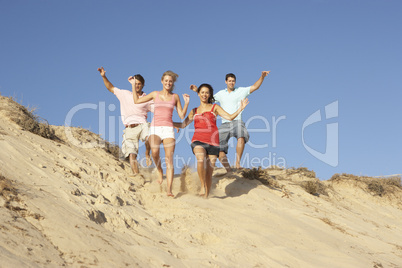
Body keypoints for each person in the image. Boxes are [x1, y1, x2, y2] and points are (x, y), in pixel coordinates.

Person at [174, 84, 249, 198]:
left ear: (210, 95)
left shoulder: (215, 108)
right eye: (202, 92)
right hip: (198, 139)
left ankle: (206, 195)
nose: (204, 94)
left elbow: (229, 117)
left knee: (209, 172)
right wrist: (169, 123)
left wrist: (241, 108)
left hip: (213, 141)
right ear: (198, 94)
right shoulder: (194, 111)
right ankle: (203, 186)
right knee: (200, 159)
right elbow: (183, 125)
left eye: (207, 92)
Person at [192, 71, 270, 172]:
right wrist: (197, 90)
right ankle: (228, 170)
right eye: (229, 81)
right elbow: (206, 98)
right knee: (218, 147)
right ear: (226, 82)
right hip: (224, 123)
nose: (231, 83)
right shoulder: (221, 94)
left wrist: (262, 77)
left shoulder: (241, 91)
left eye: (233, 81)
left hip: (237, 121)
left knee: (241, 137)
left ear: (235, 82)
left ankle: (237, 163)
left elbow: (255, 86)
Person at [129, 71, 190, 197]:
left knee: (169, 160)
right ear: (162, 81)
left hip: (168, 129)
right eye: (166, 81)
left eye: (170, 81)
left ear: (172, 83)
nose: (168, 83)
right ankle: (159, 170)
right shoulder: (154, 94)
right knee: (155, 152)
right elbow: (136, 100)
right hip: (155, 128)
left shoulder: (175, 97)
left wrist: (187, 103)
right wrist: (133, 84)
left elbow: (182, 116)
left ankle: (169, 190)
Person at [97, 67, 153, 175]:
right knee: (132, 155)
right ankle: (137, 176)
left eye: (139, 84)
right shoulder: (125, 94)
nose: (137, 85)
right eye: (135, 83)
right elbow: (111, 88)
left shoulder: (147, 99)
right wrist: (104, 76)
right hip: (129, 128)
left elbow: (159, 111)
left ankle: (147, 155)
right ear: (132, 83)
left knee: (148, 137)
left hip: (142, 125)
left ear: (143, 85)